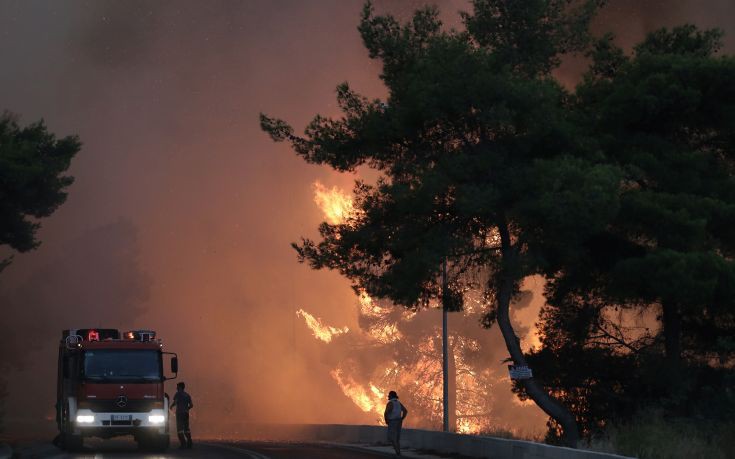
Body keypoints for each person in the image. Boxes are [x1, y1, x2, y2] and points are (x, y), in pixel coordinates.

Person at [170, 381, 194, 449]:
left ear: (180, 387)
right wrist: (187, 409)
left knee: (180, 429)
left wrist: (171, 406)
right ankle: (189, 443)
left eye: (177, 386)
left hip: (180, 414)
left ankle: (183, 444)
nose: (176, 388)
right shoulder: (187, 395)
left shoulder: (178, 394)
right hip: (186, 413)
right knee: (186, 429)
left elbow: (175, 402)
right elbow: (191, 405)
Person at [384, 390, 408, 456]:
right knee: (397, 438)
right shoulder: (398, 403)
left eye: (389, 395)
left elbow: (386, 413)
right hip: (399, 422)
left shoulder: (390, 403)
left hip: (392, 422)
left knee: (391, 437)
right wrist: (402, 418)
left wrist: (386, 420)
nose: (388, 396)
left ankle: (397, 452)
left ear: (391, 396)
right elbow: (405, 411)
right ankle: (399, 452)